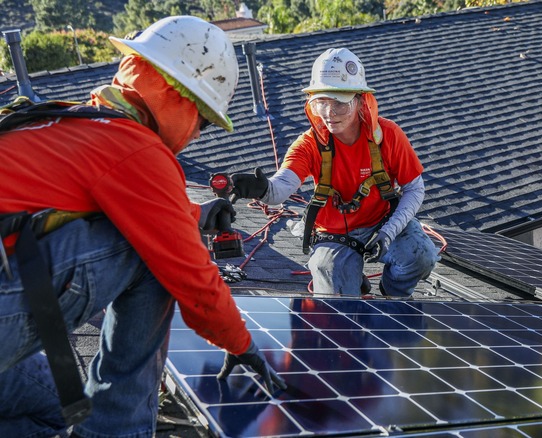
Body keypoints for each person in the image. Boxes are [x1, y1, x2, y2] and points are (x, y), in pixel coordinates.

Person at [0, 16, 285, 437]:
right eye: (203, 123)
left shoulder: (68, 121)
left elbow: (132, 199)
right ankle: (118, 430)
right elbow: (190, 274)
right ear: (182, 100)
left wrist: (195, 214)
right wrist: (241, 345)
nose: (196, 135)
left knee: (64, 407)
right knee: (150, 251)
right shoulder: (133, 147)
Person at [230, 48, 439, 297]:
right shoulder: (309, 144)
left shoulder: (387, 135)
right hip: (335, 234)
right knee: (337, 304)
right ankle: (350, 278)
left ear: (360, 101)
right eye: (321, 103)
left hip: (382, 222)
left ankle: (393, 294)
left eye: (340, 103)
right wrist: (262, 190)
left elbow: (414, 188)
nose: (330, 113)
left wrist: (388, 232)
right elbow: (280, 189)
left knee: (421, 255)